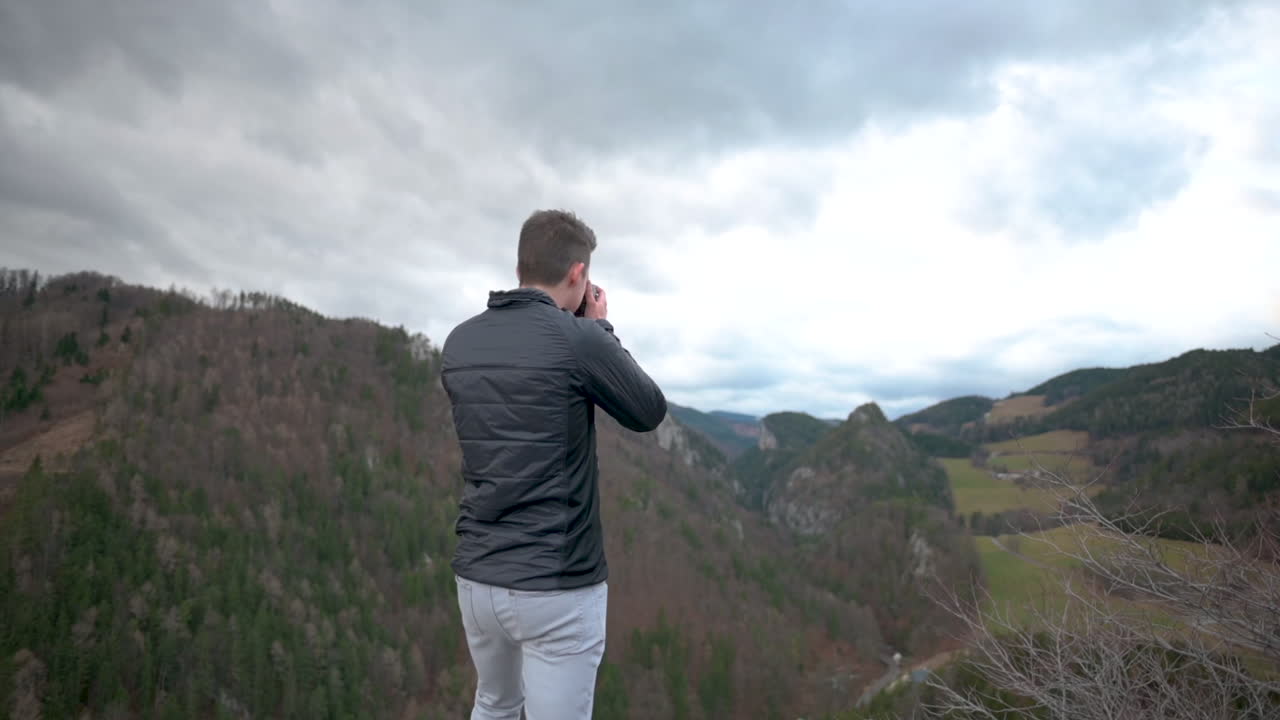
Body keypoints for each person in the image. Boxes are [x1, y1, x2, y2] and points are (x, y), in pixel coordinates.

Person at [441, 209, 667, 719]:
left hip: (478, 576)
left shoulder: (460, 342)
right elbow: (647, 410)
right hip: (556, 583)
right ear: (578, 275)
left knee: (494, 703)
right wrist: (600, 329)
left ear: (522, 266)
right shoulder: (577, 339)